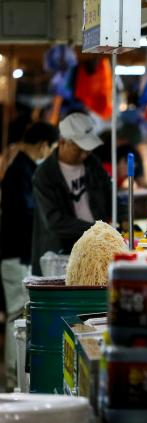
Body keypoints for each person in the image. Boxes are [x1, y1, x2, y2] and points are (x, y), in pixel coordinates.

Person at [0, 122, 57, 389]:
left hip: (17, 255)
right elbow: (24, 214)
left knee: (17, 316)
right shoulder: (19, 172)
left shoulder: (22, 169)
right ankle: (13, 379)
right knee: (16, 317)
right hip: (15, 257)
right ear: (44, 145)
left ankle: (14, 378)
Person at [32, 112, 112, 276]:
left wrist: (123, 220)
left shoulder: (92, 164)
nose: (84, 154)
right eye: (78, 149)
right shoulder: (45, 174)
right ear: (62, 143)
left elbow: (111, 198)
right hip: (60, 255)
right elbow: (54, 221)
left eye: (87, 149)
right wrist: (96, 229)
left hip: (94, 249)